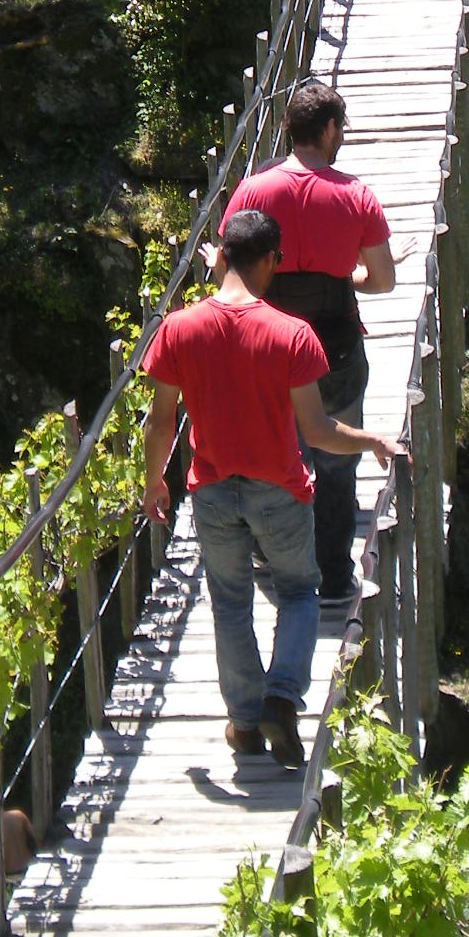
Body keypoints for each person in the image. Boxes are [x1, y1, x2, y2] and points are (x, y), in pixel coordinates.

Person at [141, 209, 397, 767]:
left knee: (230, 603)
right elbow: (319, 432)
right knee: (300, 592)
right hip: (279, 490)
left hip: (210, 489)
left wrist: (153, 483)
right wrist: (371, 439)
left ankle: (243, 721)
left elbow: (161, 422)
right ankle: (282, 698)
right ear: (267, 261)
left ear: (222, 257)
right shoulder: (292, 335)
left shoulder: (177, 328)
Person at [213, 82, 407, 607]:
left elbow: (223, 275)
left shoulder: (252, 193)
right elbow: (383, 280)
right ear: (327, 130)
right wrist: (350, 276)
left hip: (267, 346)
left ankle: (277, 562)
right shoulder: (355, 196)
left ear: (287, 130)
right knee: (336, 466)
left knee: (279, 456)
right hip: (335, 348)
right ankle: (335, 579)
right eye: (340, 128)